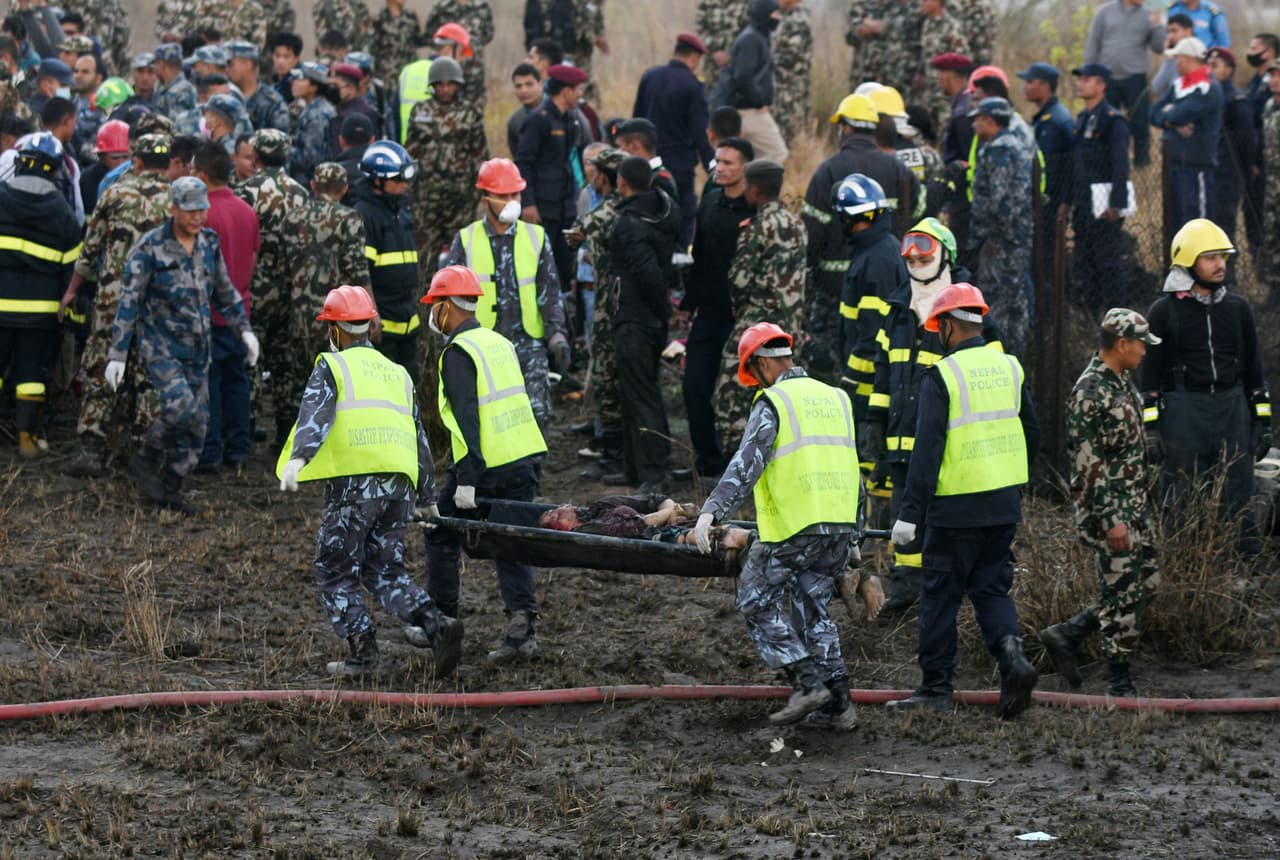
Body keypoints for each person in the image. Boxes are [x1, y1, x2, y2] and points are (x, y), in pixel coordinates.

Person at [277, 285, 461, 677]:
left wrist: (299, 457)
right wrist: (428, 495)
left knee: (335, 570)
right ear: (369, 327)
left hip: (354, 488)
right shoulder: (398, 373)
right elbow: (418, 436)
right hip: (399, 486)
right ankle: (436, 623)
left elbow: (316, 414)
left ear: (336, 330)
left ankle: (362, 652)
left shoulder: (332, 365)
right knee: (384, 570)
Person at [694, 322, 861, 728]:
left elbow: (746, 463)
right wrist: (854, 534)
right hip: (837, 526)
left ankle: (806, 683)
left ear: (762, 364)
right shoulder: (837, 398)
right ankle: (839, 704)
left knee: (754, 598)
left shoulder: (774, 402)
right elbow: (853, 466)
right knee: (814, 608)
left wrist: (711, 510)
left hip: (793, 528)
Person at [887, 282, 1039, 717]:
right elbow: (1033, 433)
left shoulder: (942, 375)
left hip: (954, 510)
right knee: (992, 588)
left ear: (949, 326)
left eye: (939, 328)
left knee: (939, 596)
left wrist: (910, 513)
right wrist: (1009, 477)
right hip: (1002, 504)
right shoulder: (1010, 367)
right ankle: (1013, 658)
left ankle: (936, 688)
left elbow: (927, 450)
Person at [866, 218, 1000, 615]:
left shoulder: (967, 311)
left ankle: (946, 590)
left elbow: (989, 378)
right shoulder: (896, 311)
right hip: (899, 443)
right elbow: (883, 376)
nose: (915, 258)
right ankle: (907, 589)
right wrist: (873, 425)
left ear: (947, 254)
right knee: (902, 517)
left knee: (944, 520)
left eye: (925, 249)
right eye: (909, 249)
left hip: (948, 444)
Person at [106, 177, 261, 514]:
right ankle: (147, 459)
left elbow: (224, 291)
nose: (197, 217)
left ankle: (169, 488)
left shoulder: (209, 242)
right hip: (161, 346)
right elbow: (128, 302)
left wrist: (244, 331)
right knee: (180, 408)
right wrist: (117, 353)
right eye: (189, 210)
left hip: (199, 346)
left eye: (201, 209)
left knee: (199, 425)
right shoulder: (150, 248)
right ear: (173, 208)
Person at [420, 266, 548, 662]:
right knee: (510, 544)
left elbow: (468, 417)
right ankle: (522, 632)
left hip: (483, 466)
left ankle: (442, 622)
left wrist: (468, 480)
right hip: (523, 458)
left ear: (446, 306)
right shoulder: (499, 342)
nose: (433, 314)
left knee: (440, 532)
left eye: (435, 305)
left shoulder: (458, 353)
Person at [1041, 308, 1161, 698]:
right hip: (1110, 511)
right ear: (1122, 344)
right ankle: (1119, 681)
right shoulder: (1089, 392)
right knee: (1124, 592)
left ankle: (1069, 633)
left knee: (1145, 584)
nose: (1145, 351)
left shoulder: (1122, 380)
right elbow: (1087, 466)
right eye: (1140, 343)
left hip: (1136, 505)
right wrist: (1112, 521)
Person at [1141, 219, 1269, 535]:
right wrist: (1152, 429)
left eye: (1222, 256)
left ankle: (1241, 571)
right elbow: (1149, 379)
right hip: (1184, 412)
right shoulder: (1163, 312)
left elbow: (1254, 371)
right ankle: (1182, 564)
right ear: (1187, 262)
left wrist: (1263, 421)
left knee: (1238, 490)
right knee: (1181, 493)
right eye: (1209, 257)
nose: (1219, 264)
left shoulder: (1238, 309)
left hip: (1232, 408)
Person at [61, 134, 174, 477]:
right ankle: (145, 452)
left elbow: (90, 249)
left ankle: (92, 448)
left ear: (136, 161)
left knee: (102, 365)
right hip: (159, 301)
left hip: (113, 298)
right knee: (152, 374)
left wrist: (71, 291)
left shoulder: (114, 193)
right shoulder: (177, 200)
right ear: (167, 163)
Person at [442, 157, 568, 429]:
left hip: (528, 343)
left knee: (536, 415)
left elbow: (550, 291)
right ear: (485, 198)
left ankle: (531, 471)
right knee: (487, 418)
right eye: (503, 195)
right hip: (482, 345)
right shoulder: (466, 239)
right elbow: (449, 298)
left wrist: (556, 333)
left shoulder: (537, 237)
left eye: (515, 194)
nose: (511, 201)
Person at [802, 93, 918, 383]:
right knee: (875, 352)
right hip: (886, 277)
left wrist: (811, 274)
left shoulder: (828, 171)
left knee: (830, 361)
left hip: (832, 287)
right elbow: (919, 205)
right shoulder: (897, 168)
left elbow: (812, 233)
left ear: (846, 129)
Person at [714, 158, 807, 449]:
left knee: (731, 393)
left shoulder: (757, 227)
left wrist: (739, 308)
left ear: (754, 191)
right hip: (790, 327)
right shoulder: (797, 224)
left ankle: (737, 460)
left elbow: (739, 279)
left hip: (757, 323)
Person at [0, 133, 81, 457]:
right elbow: (72, 268)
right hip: (40, 312)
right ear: (54, 169)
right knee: (31, 375)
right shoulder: (62, 212)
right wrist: (73, 316)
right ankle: (27, 440)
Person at [679, 137, 754, 481]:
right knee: (695, 388)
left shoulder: (757, 211)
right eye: (717, 162)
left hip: (743, 320)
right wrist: (687, 305)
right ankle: (708, 464)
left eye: (727, 163)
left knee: (736, 397)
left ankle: (740, 465)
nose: (719, 168)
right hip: (708, 315)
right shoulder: (709, 203)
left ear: (745, 169)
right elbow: (701, 258)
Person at [606, 156, 679, 492]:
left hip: (635, 319)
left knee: (642, 394)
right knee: (635, 392)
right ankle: (636, 468)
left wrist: (663, 309)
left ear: (622, 182)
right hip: (644, 318)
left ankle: (652, 474)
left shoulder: (630, 224)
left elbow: (646, 273)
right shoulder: (664, 210)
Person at [234, 128, 309, 449]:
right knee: (285, 362)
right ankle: (286, 432)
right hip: (292, 289)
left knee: (251, 358)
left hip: (256, 288)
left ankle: (247, 429)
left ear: (257, 156)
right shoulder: (301, 193)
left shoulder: (246, 191)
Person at [193, 141, 260, 473]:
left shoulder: (202, 214)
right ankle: (238, 451)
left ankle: (210, 454)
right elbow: (252, 259)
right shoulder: (247, 210)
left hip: (210, 315)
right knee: (237, 382)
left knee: (210, 385)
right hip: (240, 313)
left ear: (203, 175)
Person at [564, 148, 626, 479]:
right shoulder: (639, 204)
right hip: (622, 306)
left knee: (607, 375)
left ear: (604, 176)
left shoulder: (606, 214)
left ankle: (613, 452)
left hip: (609, 306)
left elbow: (591, 249)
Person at [404, 56, 489, 274]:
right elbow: (410, 153)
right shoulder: (420, 111)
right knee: (424, 261)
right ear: (432, 86)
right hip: (426, 200)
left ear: (458, 85)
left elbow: (480, 156)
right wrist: (410, 193)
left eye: (450, 84)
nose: (444, 89)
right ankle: (424, 307)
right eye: (440, 84)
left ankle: (461, 306)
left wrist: (477, 196)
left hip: (460, 200)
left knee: (461, 259)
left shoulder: (470, 113)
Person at [632, 33, 715, 248]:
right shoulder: (693, 86)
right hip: (680, 165)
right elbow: (700, 133)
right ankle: (676, 264)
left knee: (647, 210)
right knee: (682, 214)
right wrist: (711, 166)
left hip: (647, 161)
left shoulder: (650, 76)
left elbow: (637, 118)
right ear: (695, 57)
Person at [967, 97, 1033, 356]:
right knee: (1015, 296)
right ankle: (1018, 353)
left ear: (990, 121)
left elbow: (1001, 201)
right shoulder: (1016, 145)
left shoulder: (999, 150)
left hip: (1002, 242)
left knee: (999, 300)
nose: (974, 124)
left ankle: (1001, 353)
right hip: (1014, 238)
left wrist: (991, 238)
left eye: (978, 119)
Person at [515, 62, 587, 295]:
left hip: (565, 207)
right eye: (577, 89)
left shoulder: (570, 119)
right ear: (566, 91)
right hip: (543, 208)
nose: (580, 94)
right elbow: (523, 164)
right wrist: (528, 203)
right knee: (541, 268)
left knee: (566, 269)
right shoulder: (538, 120)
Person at [355, 139, 422, 374]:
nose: (404, 184)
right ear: (377, 180)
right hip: (383, 329)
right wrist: (372, 314)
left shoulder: (401, 212)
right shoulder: (364, 215)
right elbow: (361, 273)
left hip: (408, 323)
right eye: (397, 179)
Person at [1069, 63, 1132, 315]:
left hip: (1104, 202)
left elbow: (1121, 165)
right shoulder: (1083, 118)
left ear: (1101, 85)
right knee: (1085, 260)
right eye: (1080, 79)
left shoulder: (1112, 121)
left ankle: (1116, 315)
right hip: (1083, 201)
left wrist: (1117, 203)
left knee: (1108, 262)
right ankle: (1092, 313)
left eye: (1087, 79)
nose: (1080, 83)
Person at [1151, 37, 1223, 229]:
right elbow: (1154, 113)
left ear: (1190, 59)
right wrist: (1170, 121)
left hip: (1196, 165)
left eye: (1179, 59)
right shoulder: (1178, 85)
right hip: (1174, 164)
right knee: (1175, 222)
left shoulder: (1207, 88)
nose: (1176, 63)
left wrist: (1170, 114)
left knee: (1196, 221)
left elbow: (1181, 113)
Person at [1083, 0, 1165, 168]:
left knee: (1140, 123)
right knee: (1105, 121)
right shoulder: (1104, 12)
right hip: (1107, 79)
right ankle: (1108, 162)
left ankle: (1142, 163)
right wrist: (1088, 73)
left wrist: (1158, 25)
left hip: (1135, 78)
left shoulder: (1148, 15)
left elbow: (1159, 47)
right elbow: (1093, 43)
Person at [711, 0, 789, 164]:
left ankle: (746, 185)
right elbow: (743, 77)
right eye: (774, 14)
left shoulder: (757, 36)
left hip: (747, 109)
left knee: (745, 158)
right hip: (750, 110)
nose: (778, 18)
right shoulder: (751, 39)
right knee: (777, 153)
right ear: (764, 15)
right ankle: (757, 186)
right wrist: (759, 102)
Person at [1017, 62, 1074, 265]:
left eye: (1030, 82)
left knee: (1050, 253)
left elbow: (1056, 166)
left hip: (1052, 200)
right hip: (1047, 200)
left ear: (1045, 86)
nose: (1025, 87)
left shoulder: (1055, 120)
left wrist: (1063, 200)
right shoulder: (1046, 117)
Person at [1206, 48, 1253, 247]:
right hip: (1207, 171)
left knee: (1223, 229)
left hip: (1227, 175)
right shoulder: (1205, 95)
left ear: (1228, 70)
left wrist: (1243, 174)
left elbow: (1247, 142)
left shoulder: (1236, 102)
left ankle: (1228, 275)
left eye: (1214, 65)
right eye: (1207, 64)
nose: (1208, 69)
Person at [1243, 35, 1277, 256]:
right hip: (1255, 157)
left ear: (1269, 53)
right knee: (1253, 211)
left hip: (1270, 162)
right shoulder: (1255, 81)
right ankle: (1259, 260)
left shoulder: (1271, 89)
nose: (1250, 52)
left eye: (1254, 48)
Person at [425, 4, 495, 108]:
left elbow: (472, 108)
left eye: (445, 49)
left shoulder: (472, 72)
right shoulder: (430, 68)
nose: (441, 54)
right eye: (439, 48)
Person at [289, 62, 337, 185]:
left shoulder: (317, 114)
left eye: (300, 79)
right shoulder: (312, 108)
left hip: (310, 184)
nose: (294, 82)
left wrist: (284, 149)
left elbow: (311, 158)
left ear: (313, 87)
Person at [227, 41, 290, 134]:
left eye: (231, 64)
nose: (227, 69)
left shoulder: (272, 103)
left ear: (247, 64)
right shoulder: (225, 96)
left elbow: (280, 142)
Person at [696, 0, 750, 93]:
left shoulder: (746, 4)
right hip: (711, 66)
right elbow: (700, 28)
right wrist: (714, 51)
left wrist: (731, 55)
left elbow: (750, 34)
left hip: (735, 67)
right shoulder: (707, 3)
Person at [505, 62, 541, 157]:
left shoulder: (559, 110)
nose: (524, 90)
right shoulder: (515, 122)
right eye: (518, 86)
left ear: (540, 84)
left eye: (529, 84)